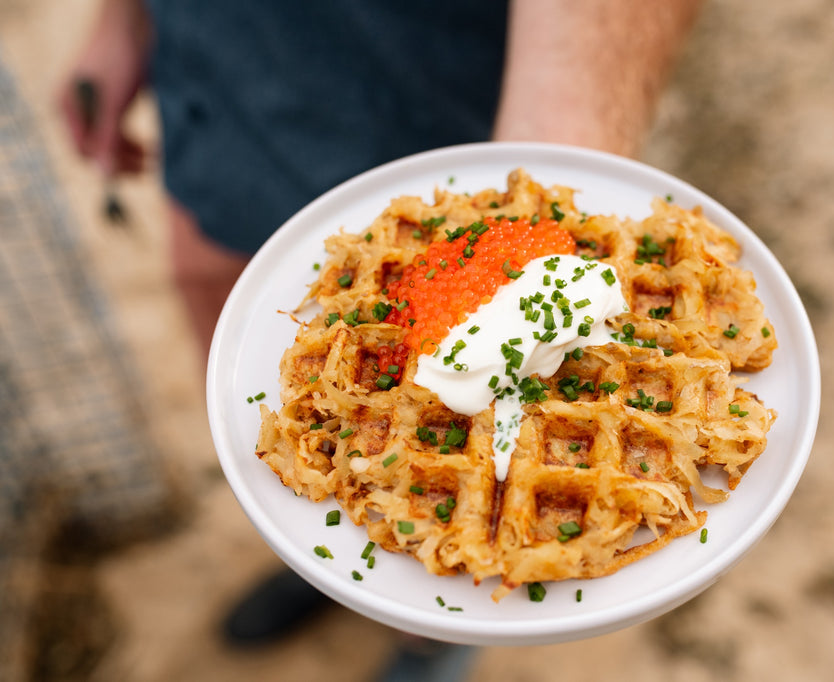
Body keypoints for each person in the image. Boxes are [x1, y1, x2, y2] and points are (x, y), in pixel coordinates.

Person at [58, 0, 701, 677]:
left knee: (450, 540)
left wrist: (547, 164)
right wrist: (124, 21)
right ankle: (323, 564)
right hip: (218, 66)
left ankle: (430, 634)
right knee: (223, 317)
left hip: (439, 93)